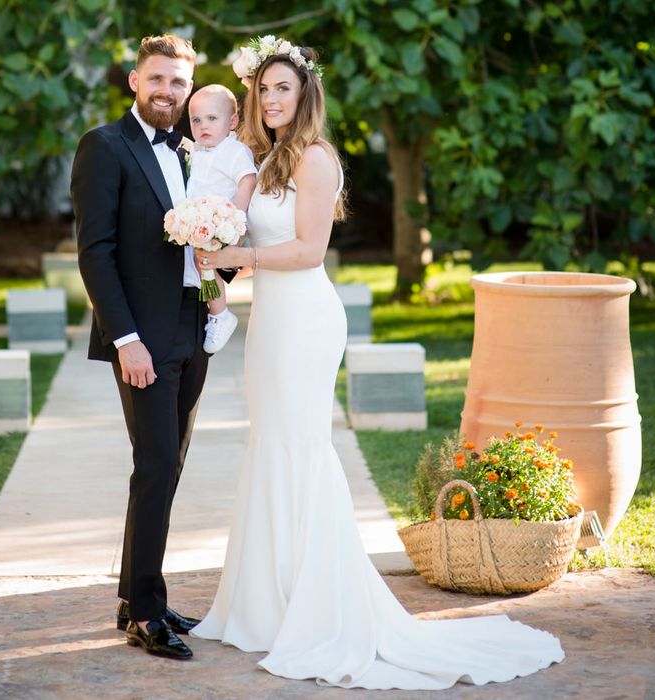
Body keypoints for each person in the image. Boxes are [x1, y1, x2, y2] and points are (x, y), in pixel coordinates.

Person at [192, 37, 566, 690]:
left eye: (283, 88)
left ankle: (317, 607)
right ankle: (263, 604)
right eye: (264, 89)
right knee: (271, 445)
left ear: (306, 95)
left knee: (300, 448)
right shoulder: (269, 157)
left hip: (306, 319)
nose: (271, 98)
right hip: (271, 321)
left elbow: (309, 253)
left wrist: (239, 259)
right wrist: (212, 250)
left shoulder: (314, 158)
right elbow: (254, 239)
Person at [71, 34, 224, 662]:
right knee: (156, 464)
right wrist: (125, 340)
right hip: (143, 339)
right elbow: (95, 253)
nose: (167, 92)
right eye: (157, 79)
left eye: (179, 84)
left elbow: (204, 239)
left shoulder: (195, 154)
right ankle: (145, 613)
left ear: (189, 91)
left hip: (192, 332)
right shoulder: (104, 147)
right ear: (135, 81)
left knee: (168, 466)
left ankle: (138, 597)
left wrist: (221, 278)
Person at [186, 84, 257, 354]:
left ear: (233, 121)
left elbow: (247, 180)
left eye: (212, 118)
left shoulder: (234, 151)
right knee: (202, 268)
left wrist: (234, 221)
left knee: (207, 265)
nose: (203, 125)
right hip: (203, 222)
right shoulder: (198, 150)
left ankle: (220, 315)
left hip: (225, 223)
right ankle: (214, 310)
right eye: (196, 120)